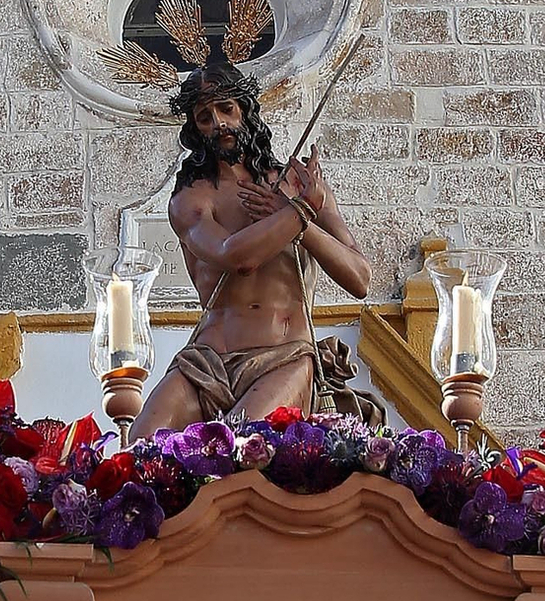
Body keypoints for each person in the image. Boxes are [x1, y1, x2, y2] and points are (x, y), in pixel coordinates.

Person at [129, 59, 370, 440]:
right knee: (140, 449)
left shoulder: (298, 183)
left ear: (246, 110)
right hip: (207, 362)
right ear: (195, 129)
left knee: (239, 450)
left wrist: (301, 220)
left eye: (226, 109)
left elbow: (360, 278)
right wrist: (299, 213)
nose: (219, 123)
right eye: (204, 117)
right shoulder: (192, 199)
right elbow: (234, 256)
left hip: (285, 357)